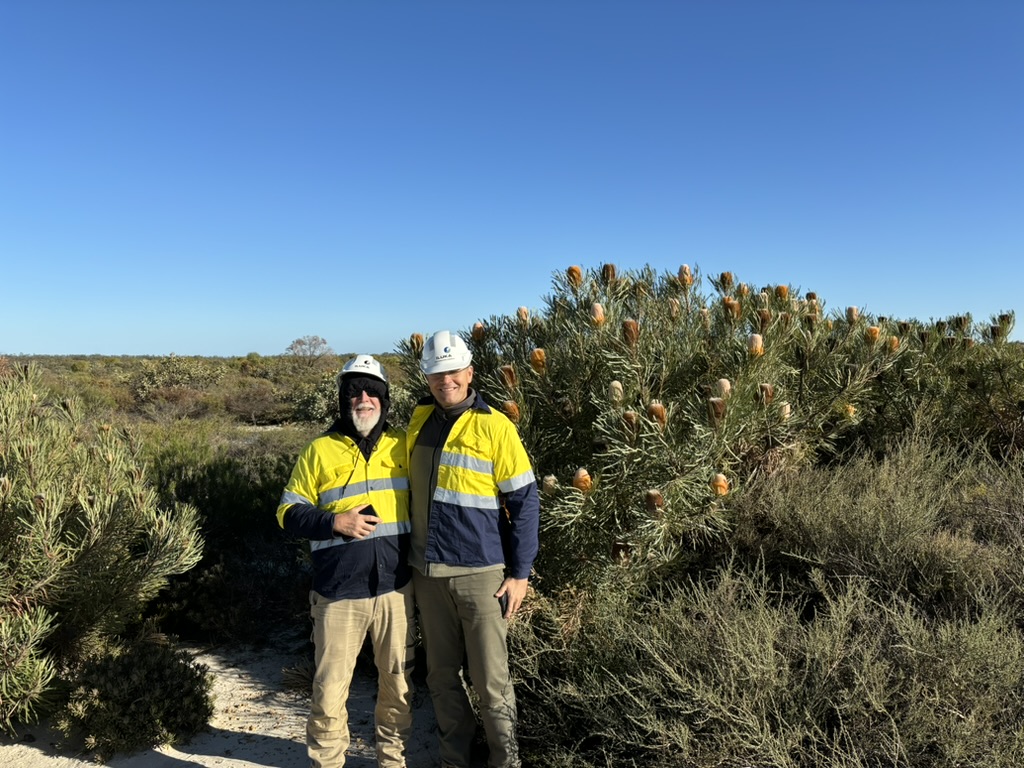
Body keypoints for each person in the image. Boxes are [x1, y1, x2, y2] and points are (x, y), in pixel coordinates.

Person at [407, 330, 540, 768]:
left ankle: (507, 761)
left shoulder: (495, 426)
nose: (446, 380)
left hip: (481, 575)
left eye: (453, 371)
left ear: (469, 372)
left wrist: (520, 574)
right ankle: (453, 761)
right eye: (436, 373)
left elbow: (524, 501)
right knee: (441, 678)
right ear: (427, 377)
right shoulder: (418, 420)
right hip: (427, 575)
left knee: (491, 682)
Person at [277, 354, 414, 768]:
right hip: (338, 595)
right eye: (354, 392)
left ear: (385, 399)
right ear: (343, 399)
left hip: (396, 591)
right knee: (329, 691)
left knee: (398, 689)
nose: (364, 399)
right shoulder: (319, 450)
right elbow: (287, 512)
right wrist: (335, 521)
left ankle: (392, 761)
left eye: (373, 392)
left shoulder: (403, 446)